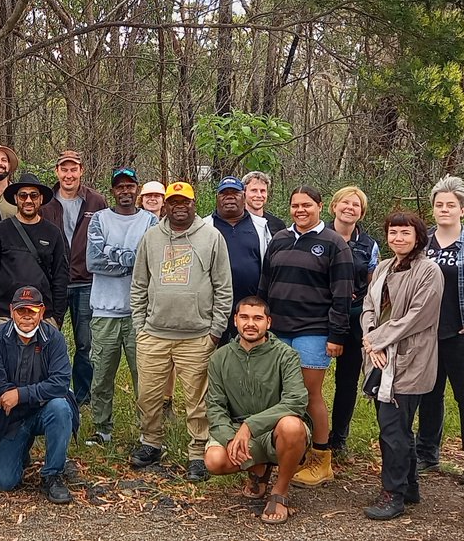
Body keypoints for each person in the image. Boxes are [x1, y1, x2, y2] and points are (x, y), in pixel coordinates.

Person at [128, 182, 232, 482]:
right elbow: (138, 284)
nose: (179, 206)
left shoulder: (211, 236)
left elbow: (223, 287)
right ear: (166, 206)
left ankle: (198, 453)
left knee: (197, 401)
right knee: (148, 395)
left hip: (197, 335)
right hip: (154, 334)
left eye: (185, 201)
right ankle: (151, 443)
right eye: (174, 202)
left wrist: (215, 330)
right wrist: (140, 327)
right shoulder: (151, 238)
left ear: (194, 203)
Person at [258, 185, 353, 488]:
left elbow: (342, 295)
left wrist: (337, 335)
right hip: (278, 330)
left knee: (309, 395)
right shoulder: (279, 239)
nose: (300, 210)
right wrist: (262, 323)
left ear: (320, 206)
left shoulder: (334, 243)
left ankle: (321, 460)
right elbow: (265, 284)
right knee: (277, 394)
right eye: (295, 205)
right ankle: (284, 451)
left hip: (313, 331)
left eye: (307, 205)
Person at [359, 211, 443, 520]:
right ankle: (409, 487)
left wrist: (377, 340)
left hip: (409, 359)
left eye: (405, 233)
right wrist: (371, 339)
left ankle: (392, 494)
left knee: (393, 429)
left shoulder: (429, 271)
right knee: (397, 427)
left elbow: (418, 315)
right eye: (393, 232)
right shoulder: (383, 267)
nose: (398, 238)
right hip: (379, 356)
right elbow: (369, 306)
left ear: (418, 237)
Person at [205, 297, 310, 525]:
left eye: (257, 318)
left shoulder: (286, 355)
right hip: (238, 430)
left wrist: (250, 426)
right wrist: (230, 438)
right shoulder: (219, 357)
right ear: (235, 320)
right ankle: (259, 469)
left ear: (268, 322)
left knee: (292, 426)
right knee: (214, 460)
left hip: (275, 430)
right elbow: (215, 406)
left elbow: (295, 401)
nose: (250, 324)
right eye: (244, 317)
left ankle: (280, 491)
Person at [414, 176, 464, 485]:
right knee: (428, 395)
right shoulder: (422, 244)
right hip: (427, 333)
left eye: (450, 205)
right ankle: (426, 454)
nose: (444, 209)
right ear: (433, 209)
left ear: (463, 210)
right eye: (439, 205)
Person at [0, 286, 79, 504]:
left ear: (41, 312)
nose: (26, 316)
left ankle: (52, 475)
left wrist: (20, 394)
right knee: (5, 482)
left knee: (61, 407)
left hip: (44, 410)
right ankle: (20, 447)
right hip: (9, 417)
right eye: (21, 310)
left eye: (32, 311)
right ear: (11, 311)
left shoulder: (54, 338)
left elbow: (61, 383)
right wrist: (18, 395)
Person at [84, 167, 156, 444]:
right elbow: (93, 261)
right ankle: (102, 429)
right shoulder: (100, 219)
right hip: (104, 311)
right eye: (120, 187)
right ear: (113, 191)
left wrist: (112, 253)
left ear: (137, 189)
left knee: (145, 378)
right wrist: (132, 261)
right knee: (101, 376)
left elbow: (151, 261)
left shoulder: (150, 221)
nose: (125, 191)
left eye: (130, 186)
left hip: (140, 313)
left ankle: (147, 433)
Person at [41, 150, 107, 407]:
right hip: (53, 282)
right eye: (64, 169)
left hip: (86, 281)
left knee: (85, 343)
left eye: (73, 169)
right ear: (57, 172)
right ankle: (51, 390)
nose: (69, 175)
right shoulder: (46, 202)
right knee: (47, 338)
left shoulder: (96, 201)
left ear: (81, 171)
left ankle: (83, 396)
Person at [324, 186, 379, 454]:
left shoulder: (369, 245)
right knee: (308, 378)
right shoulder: (317, 236)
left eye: (356, 205)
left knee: (347, 381)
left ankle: (339, 438)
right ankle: (308, 433)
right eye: (345, 202)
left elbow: (374, 283)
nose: (349, 208)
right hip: (320, 314)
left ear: (362, 212)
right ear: (334, 206)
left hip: (355, 316)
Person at [0, 173, 69, 333]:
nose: (28, 200)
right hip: (6, 314)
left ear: (41, 199)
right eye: (23, 195)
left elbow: (60, 277)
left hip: (43, 315)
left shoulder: (53, 233)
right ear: (16, 198)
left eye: (33, 196)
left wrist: (58, 316)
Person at [205, 175, 271, 344]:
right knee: (213, 353)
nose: (229, 197)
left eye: (234, 193)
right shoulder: (204, 226)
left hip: (250, 307)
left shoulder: (260, 226)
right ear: (217, 198)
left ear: (243, 196)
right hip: (212, 307)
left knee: (249, 352)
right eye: (224, 193)